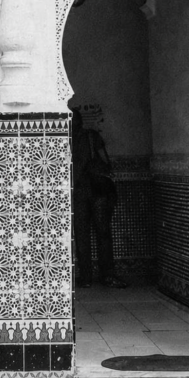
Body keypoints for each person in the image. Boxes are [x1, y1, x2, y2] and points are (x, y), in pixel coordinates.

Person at [71, 107, 127, 288]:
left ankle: (86, 277)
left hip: (79, 192)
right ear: (81, 121)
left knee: (81, 235)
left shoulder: (65, 139)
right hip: (98, 192)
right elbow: (106, 160)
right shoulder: (92, 136)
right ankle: (108, 275)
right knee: (103, 233)